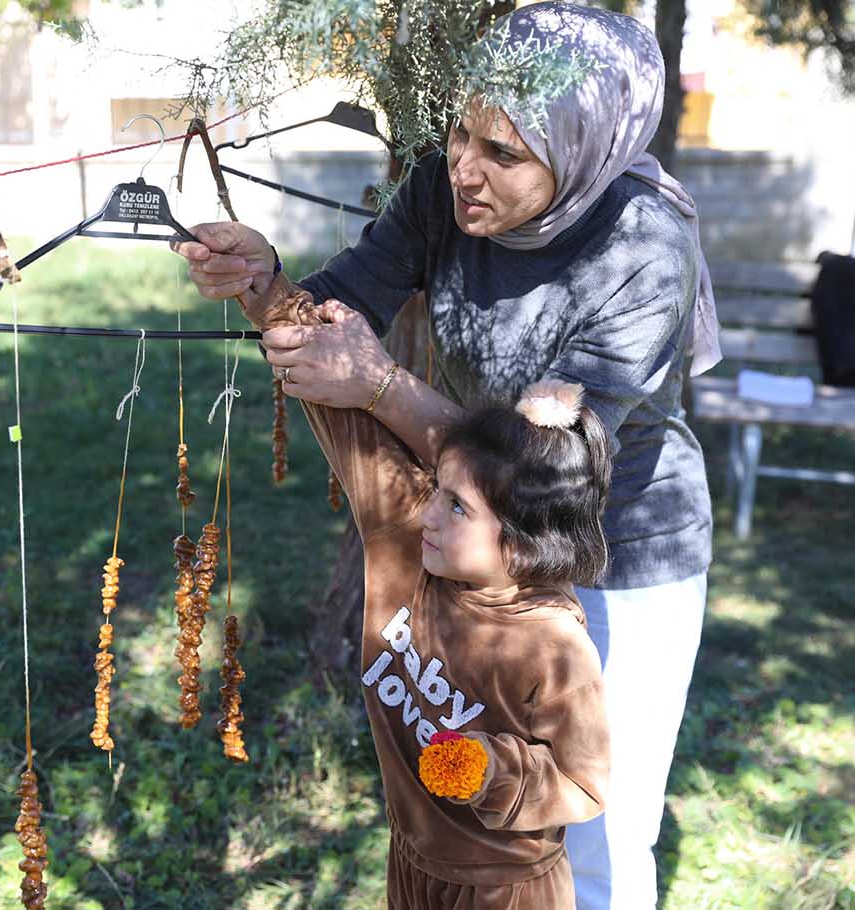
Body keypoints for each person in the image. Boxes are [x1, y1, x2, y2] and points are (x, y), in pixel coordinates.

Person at [172, 5, 718, 909]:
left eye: (502, 154)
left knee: (595, 834)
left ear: (580, 150)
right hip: (474, 531)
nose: (464, 166)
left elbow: (543, 474)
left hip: (618, 548)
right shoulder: (440, 188)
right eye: (460, 132)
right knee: (467, 805)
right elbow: (343, 306)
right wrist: (266, 284)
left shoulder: (647, 250)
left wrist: (380, 386)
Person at [237, 283, 612, 909]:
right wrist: (265, 292)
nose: (429, 514)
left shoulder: (552, 646)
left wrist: (488, 771)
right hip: (411, 860)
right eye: (439, 489)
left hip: (503, 891)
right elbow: (346, 415)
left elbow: (584, 781)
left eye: (457, 505)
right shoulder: (410, 543)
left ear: (520, 544)